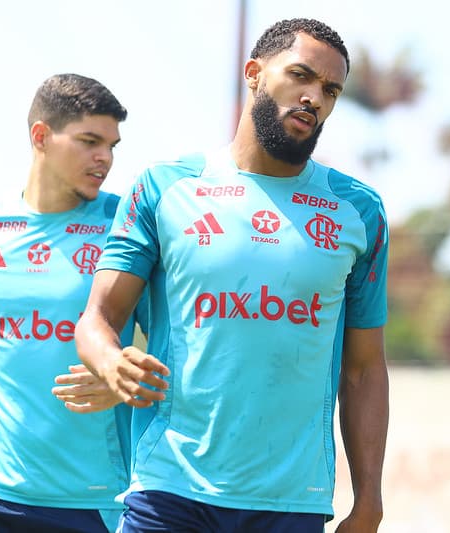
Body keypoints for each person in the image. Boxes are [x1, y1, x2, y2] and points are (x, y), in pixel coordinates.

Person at [74, 17, 389, 533]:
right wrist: (110, 362)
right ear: (254, 73)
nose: (314, 97)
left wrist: (370, 500)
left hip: (292, 499)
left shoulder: (358, 210)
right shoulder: (165, 187)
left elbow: (364, 369)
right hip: (169, 488)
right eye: (300, 77)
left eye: (330, 90)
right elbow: (98, 318)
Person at [0, 73, 145, 533]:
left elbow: (171, 339)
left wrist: (124, 378)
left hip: (92, 500)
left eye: (112, 145)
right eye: (90, 141)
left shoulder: (128, 225)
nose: (105, 158)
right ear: (40, 137)